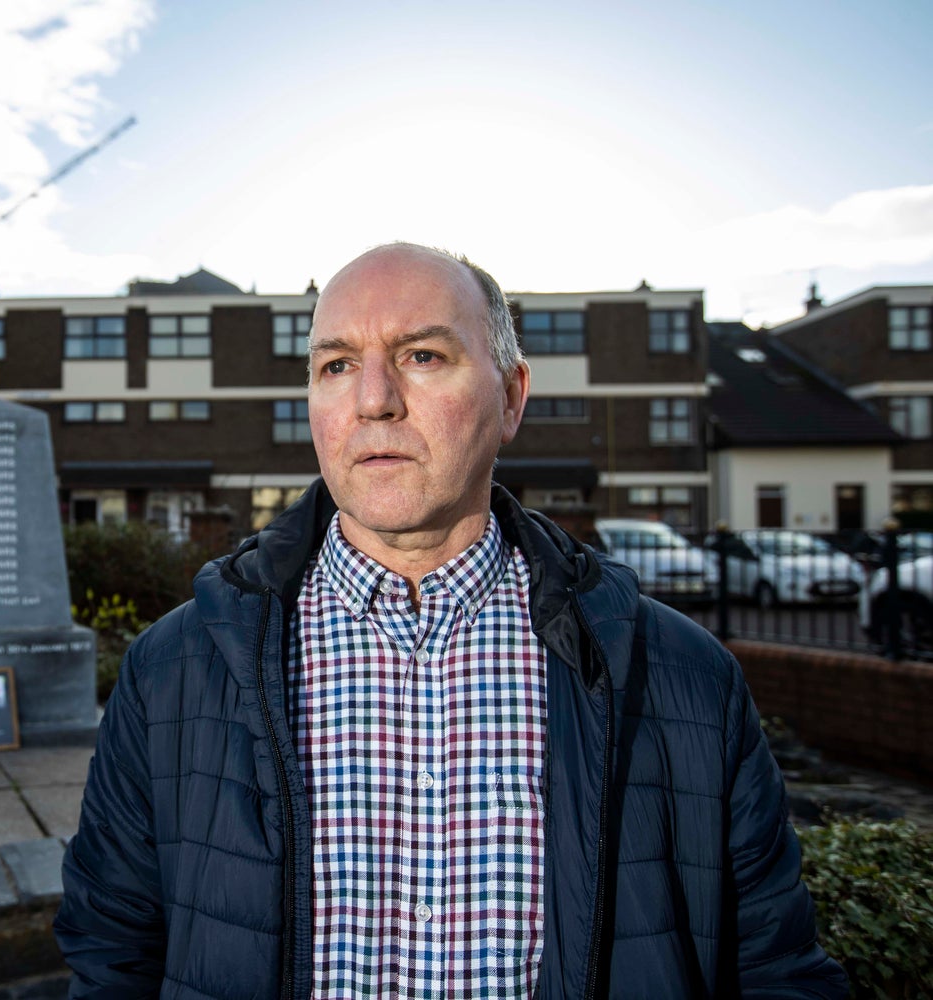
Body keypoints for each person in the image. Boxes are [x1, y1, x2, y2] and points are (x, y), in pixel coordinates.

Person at [55, 243, 847, 998]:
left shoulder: (686, 680)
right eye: (337, 365)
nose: (373, 399)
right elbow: (111, 949)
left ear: (510, 397)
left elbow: (776, 969)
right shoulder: (170, 673)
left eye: (421, 356)